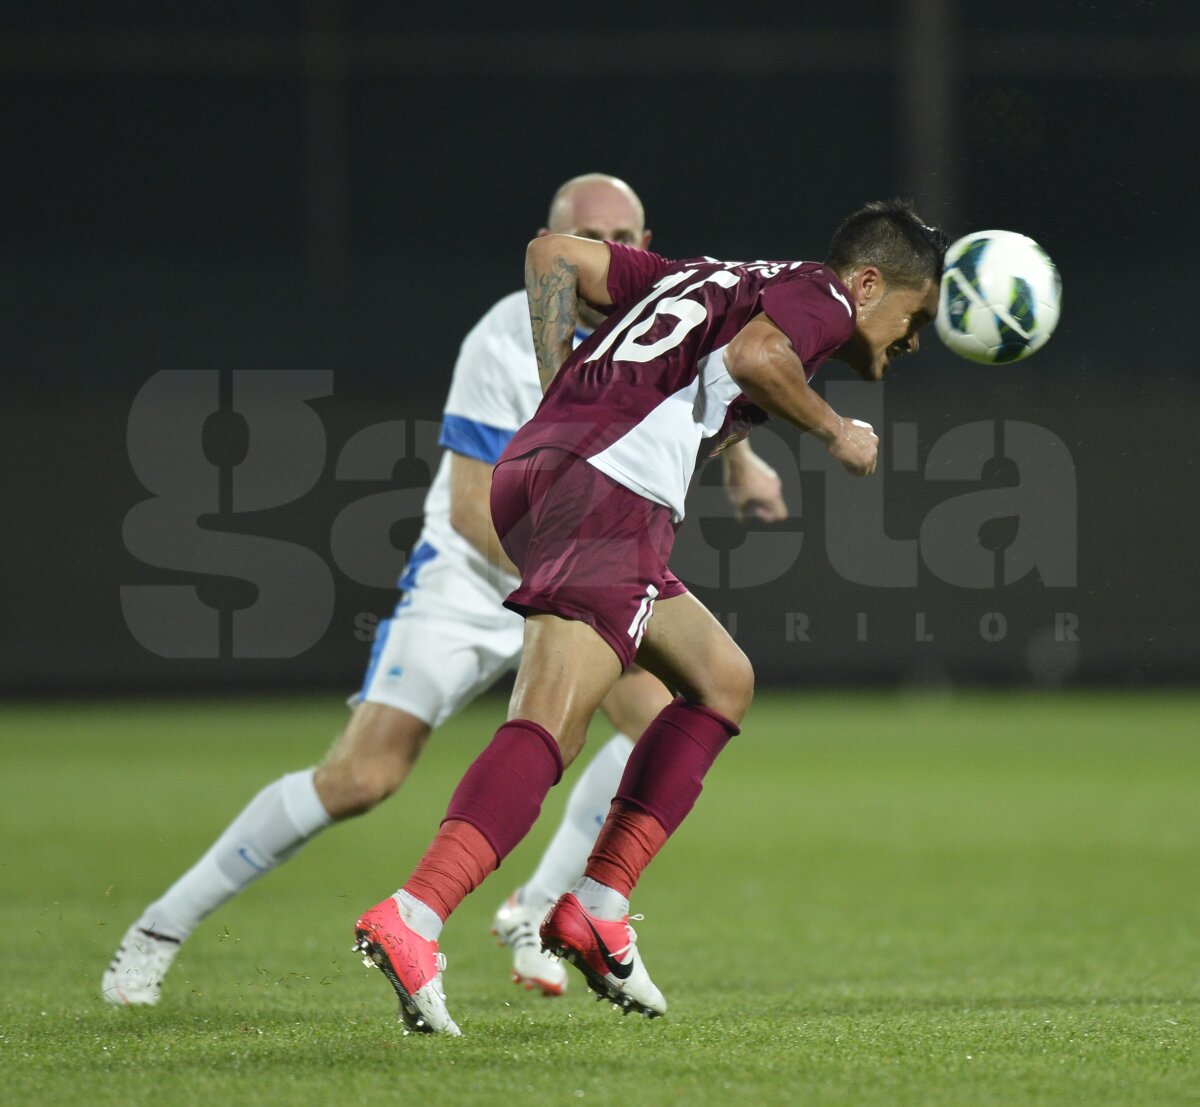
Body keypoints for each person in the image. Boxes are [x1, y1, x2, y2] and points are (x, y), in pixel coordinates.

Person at [102, 173, 787, 1007]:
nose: (614, 254)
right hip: (474, 578)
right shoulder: (506, 337)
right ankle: (159, 929)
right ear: (555, 244)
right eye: (592, 237)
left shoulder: (668, 323)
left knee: (662, 721)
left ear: (649, 245)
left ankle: (535, 910)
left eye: (629, 239)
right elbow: (472, 508)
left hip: (585, 577)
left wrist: (745, 464)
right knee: (361, 776)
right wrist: (578, 589)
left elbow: (712, 397)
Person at [352, 199, 948, 1035]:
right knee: (551, 725)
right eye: (915, 312)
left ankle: (596, 904)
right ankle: (416, 913)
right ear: (868, 280)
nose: (914, 335)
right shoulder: (822, 297)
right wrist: (833, 428)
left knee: (720, 680)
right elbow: (757, 355)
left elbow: (550, 253)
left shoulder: (715, 279)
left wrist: (562, 378)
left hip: (545, 470)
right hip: (609, 489)